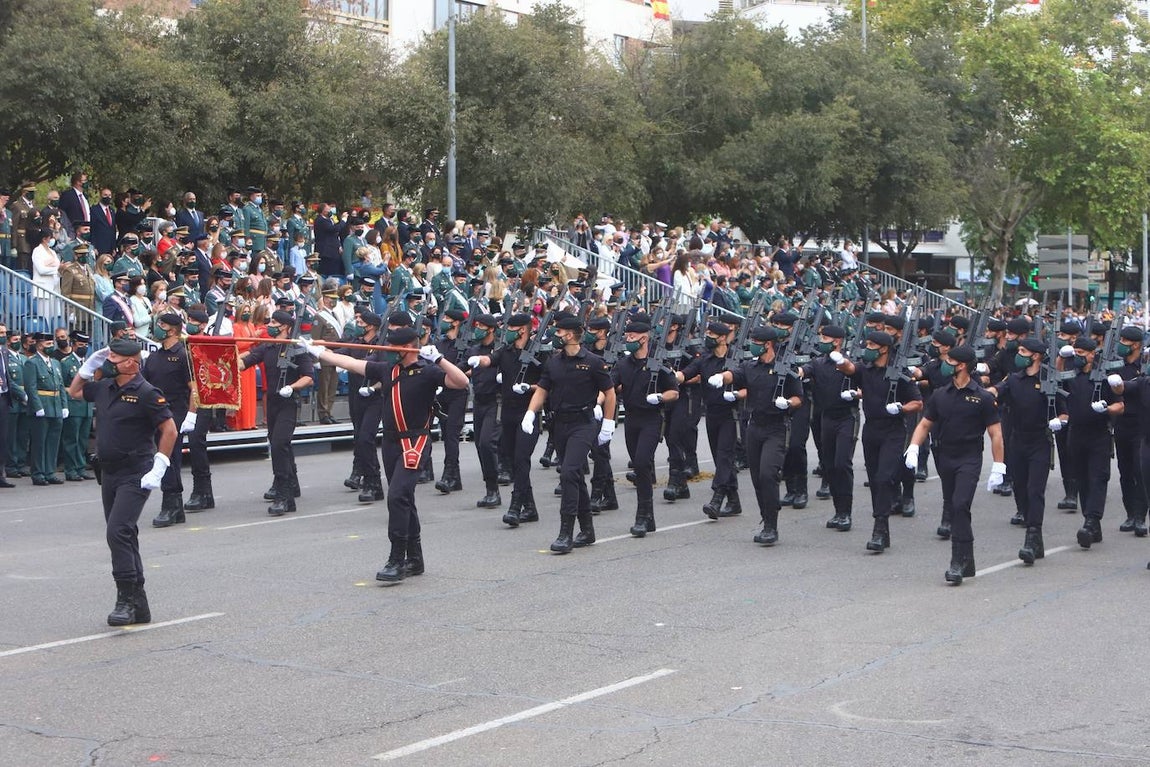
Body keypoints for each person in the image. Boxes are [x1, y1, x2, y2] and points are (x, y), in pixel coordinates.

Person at [301, 327, 470, 582]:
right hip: (391, 442)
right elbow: (350, 362)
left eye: (393, 347)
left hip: (415, 441)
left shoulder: (428, 372)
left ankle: (397, 558)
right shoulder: (386, 370)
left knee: (397, 496)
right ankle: (415, 557)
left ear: (406, 348)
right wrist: (320, 352)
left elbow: (461, 382)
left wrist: (439, 359)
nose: (388, 350)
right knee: (404, 498)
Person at [67, 337, 175, 626]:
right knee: (125, 534)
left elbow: (169, 430)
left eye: (114, 359)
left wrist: (160, 465)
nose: (108, 363)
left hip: (135, 472)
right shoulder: (105, 387)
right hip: (109, 472)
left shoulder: (147, 393)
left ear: (131, 363)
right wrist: (88, 366)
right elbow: (75, 391)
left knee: (117, 532)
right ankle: (139, 604)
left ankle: (125, 600)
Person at [904, 345, 1004, 585]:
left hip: (969, 457)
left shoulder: (983, 397)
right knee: (953, 505)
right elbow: (925, 424)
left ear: (961, 365)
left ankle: (957, 561)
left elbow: (996, 433)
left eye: (950, 360)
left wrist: (999, 465)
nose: (945, 363)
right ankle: (967, 558)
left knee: (960, 504)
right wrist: (914, 447)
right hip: (944, 454)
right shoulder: (940, 394)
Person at [521, 315, 617, 554]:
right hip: (559, 425)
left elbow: (610, 392)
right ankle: (587, 529)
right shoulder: (553, 362)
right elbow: (542, 390)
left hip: (583, 424)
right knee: (573, 476)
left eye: (560, 331)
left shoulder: (594, 362)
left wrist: (608, 422)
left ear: (572, 335)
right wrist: (531, 413)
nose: (556, 335)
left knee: (569, 473)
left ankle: (566, 532)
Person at [831, 331, 922, 553]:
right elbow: (850, 369)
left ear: (884, 348)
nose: (867, 348)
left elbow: (917, 402)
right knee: (874, 480)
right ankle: (882, 525)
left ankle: (879, 528)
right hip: (871, 430)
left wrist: (901, 408)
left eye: (872, 344)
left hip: (893, 430)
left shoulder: (899, 372)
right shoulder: (866, 369)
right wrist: (841, 361)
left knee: (884, 478)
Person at [987, 337, 1065, 564]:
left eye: (1023, 351)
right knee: (1020, 487)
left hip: (1040, 441)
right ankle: (1030, 527)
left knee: (1035, 489)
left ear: (1036, 355)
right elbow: (996, 390)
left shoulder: (1049, 381)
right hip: (1017, 441)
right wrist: (986, 394)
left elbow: (1064, 411)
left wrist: (1059, 421)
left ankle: (1032, 536)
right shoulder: (1014, 379)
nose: (1018, 354)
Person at [237, 311, 314, 516]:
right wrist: (225, 361)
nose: (270, 325)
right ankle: (290, 488)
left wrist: (292, 387)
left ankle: (283, 493)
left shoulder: (297, 349)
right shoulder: (268, 347)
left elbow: (308, 377)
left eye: (274, 322)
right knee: (278, 443)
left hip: (288, 402)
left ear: (286, 327)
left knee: (280, 443)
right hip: (272, 403)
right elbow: (247, 361)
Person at [611, 318, 679, 537]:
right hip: (631, 419)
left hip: (651, 418)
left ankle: (641, 516)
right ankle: (648, 516)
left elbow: (674, 392)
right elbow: (610, 386)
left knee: (641, 462)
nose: (628, 339)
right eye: (627, 336)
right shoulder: (623, 364)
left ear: (644, 337)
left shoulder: (658, 364)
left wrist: (659, 397)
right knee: (640, 468)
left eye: (632, 336)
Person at [1064, 336, 1123, 548]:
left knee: (1098, 478)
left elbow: (1120, 405)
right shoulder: (1071, 374)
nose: (1077, 357)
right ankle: (1092, 525)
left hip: (1099, 434)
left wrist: (1107, 409)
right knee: (1081, 479)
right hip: (1076, 433)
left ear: (1092, 354)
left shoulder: (1104, 376)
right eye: (1075, 353)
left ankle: (1091, 521)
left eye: (1081, 353)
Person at [679, 322, 741, 519]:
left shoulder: (736, 358)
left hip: (732, 414)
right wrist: (673, 376)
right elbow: (686, 373)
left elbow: (751, 385)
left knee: (724, 455)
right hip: (713, 414)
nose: (708, 337)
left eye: (712, 334)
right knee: (720, 458)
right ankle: (734, 501)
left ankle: (717, 498)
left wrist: (738, 394)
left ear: (723, 338)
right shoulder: (704, 359)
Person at [142, 313, 197, 528]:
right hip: (156, 412)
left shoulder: (183, 355)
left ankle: (171, 504)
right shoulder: (154, 357)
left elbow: (194, 389)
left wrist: (191, 414)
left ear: (173, 329)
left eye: (162, 324)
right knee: (161, 457)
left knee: (169, 458)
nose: (158, 327)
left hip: (176, 412)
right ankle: (175, 507)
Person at [804, 324, 860, 531]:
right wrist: (797, 371)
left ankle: (846, 512)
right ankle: (838, 511)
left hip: (847, 417)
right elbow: (806, 370)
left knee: (842, 464)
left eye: (825, 338)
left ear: (837, 341)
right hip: (826, 418)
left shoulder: (851, 362)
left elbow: (864, 383)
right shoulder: (818, 362)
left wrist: (856, 394)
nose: (821, 341)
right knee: (829, 465)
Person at [465, 314, 504, 508]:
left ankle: (494, 488)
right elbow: (462, 368)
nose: (477, 328)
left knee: (487, 443)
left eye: (481, 326)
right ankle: (490, 488)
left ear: (491, 329)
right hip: (479, 401)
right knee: (480, 445)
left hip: (496, 401)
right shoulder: (474, 349)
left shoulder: (500, 349)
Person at [432, 308, 470, 496]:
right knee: (445, 432)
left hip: (458, 393)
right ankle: (454, 476)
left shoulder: (466, 344)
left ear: (456, 323)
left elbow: (470, 368)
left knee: (452, 434)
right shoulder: (441, 344)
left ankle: (450, 475)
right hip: (442, 392)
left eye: (447, 318)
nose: (444, 321)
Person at [23, 332, 67, 486]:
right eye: (48, 344)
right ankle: (38, 473)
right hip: (42, 405)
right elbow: (31, 387)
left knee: (53, 442)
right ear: (39, 345)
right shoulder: (32, 363)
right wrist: (37, 406)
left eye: (51, 344)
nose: (51, 346)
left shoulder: (55, 363)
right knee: (40, 442)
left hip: (55, 405)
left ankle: (50, 472)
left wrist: (64, 405)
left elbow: (60, 386)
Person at [58, 331, 94, 482]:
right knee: (71, 439)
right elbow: (63, 385)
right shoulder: (66, 363)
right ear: (73, 345)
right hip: (73, 405)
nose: (83, 348)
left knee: (83, 439)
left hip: (86, 406)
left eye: (85, 345)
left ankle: (80, 467)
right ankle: (71, 469)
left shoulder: (88, 362)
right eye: (80, 345)